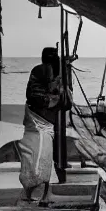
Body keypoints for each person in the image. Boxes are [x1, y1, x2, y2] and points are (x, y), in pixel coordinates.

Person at [17, 47, 72, 202]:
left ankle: (39, 193)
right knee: (38, 158)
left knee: (41, 158)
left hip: (45, 123)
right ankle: (34, 193)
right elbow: (36, 96)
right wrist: (55, 98)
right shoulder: (43, 71)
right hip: (38, 121)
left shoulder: (55, 73)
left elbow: (66, 101)